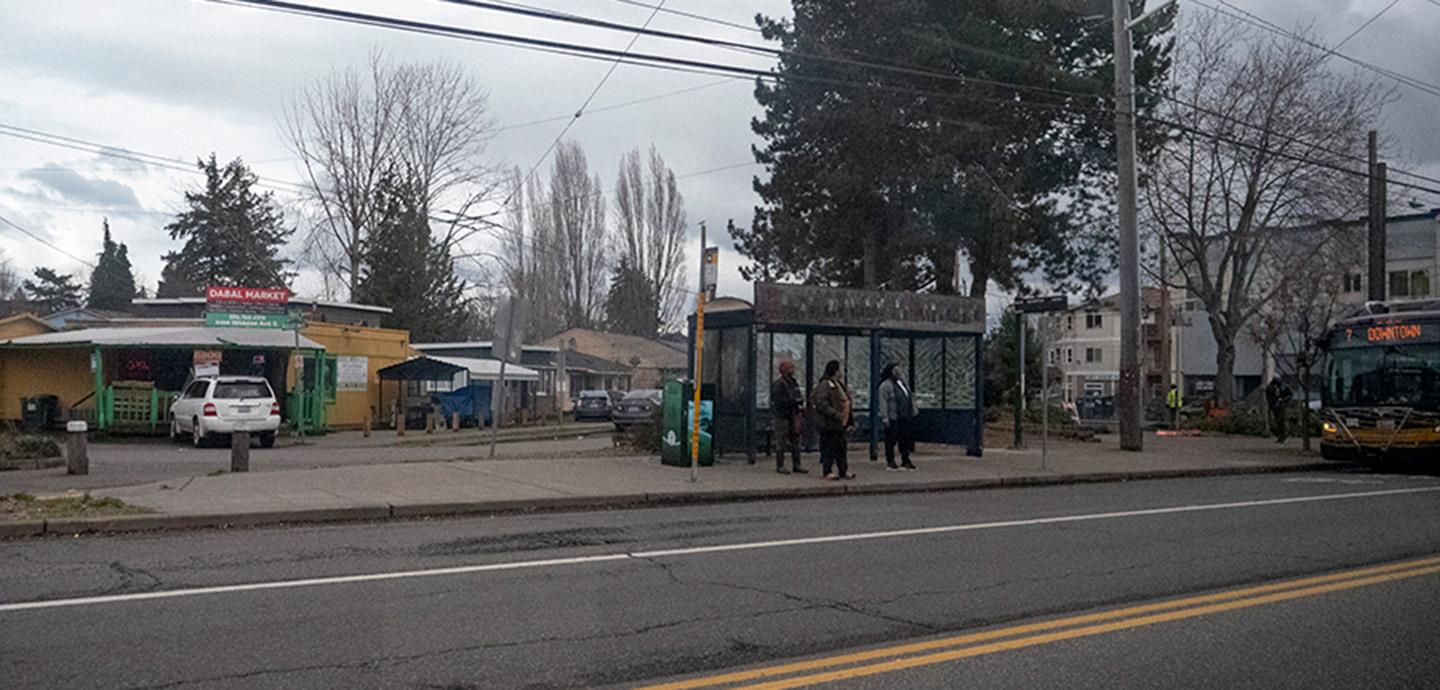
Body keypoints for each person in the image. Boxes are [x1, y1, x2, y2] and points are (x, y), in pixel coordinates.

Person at [812, 359, 855, 480]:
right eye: (839, 369)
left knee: (841, 448)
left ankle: (843, 470)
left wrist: (849, 420)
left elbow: (846, 401)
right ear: (835, 371)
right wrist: (835, 414)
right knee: (829, 448)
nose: (841, 372)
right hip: (829, 423)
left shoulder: (839, 384)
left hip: (841, 423)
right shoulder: (825, 384)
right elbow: (822, 403)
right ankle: (827, 471)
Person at [769, 360, 808, 475]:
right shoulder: (779, 384)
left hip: (792, 415)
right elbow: (777, 400)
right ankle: (780, 465)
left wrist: (798, 402)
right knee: (781, 441)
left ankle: (797, 464)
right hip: (782, 416)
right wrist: (792, 402)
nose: (793, 370)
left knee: (795, 440)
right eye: (791, 368)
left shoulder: (793, 383)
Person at [877, 363, 917, 471]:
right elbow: (883, 402)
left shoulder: (903, 383)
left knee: (904, 439)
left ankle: (905, 460)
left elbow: (909, 397)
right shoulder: (885, 385)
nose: (899, 372)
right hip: (893, 417)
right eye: (896, 370)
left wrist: (913, 410)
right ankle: (890, 461)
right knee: (891, 440)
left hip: (905, 416)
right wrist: (885, 417)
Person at [1265, 377, 1293, 443]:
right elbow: (1268, 397)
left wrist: (1283, 400)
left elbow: (1290, 394)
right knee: (1276, 422)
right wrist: (1271, 403)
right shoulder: (1270, 387)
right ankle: (1279, 436)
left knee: (1282, 421)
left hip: (1282, 406)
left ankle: (1284, 436)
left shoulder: (1284, 386)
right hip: (1274, 406)